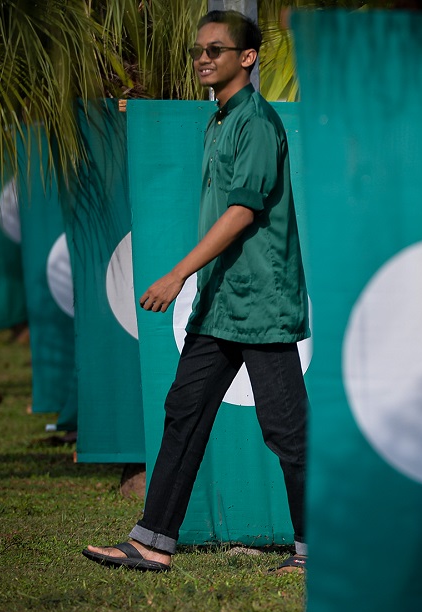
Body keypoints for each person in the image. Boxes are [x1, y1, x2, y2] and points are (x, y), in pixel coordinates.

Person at [83, 9, 310, 573]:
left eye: (216, 49)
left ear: (247, 57)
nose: (203, 58)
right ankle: (152, 541)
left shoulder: (255, 122)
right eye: (198, 51)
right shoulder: (220, 120)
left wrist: (178, 273)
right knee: (184, 410)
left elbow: (240, 212)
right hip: (220, 305)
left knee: (287, 430)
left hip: (258, 302)